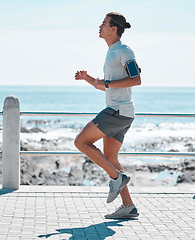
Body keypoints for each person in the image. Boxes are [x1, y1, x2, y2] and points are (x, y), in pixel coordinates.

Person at [74, 12, 141, 219]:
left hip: (116, 112)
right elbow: (108, 87)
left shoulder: (123, 50)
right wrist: (88, 79)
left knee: (81, 142)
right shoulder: (112, 52)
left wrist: (108, 83)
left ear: (114, 29)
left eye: (104, 23)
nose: (100, 26)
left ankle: (115, 178)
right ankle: (128, 206)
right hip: (123, 112)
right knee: (111, 159)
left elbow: (136, 79)